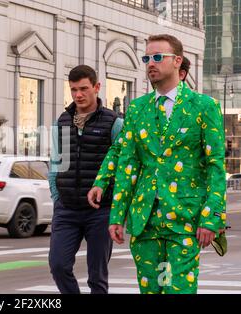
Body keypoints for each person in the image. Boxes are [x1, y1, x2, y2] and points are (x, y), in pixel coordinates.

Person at [91, 34, 226, 294]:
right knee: (151, 291)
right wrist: (117, 215)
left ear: (177, 61)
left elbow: (215, 165)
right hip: (145, 221)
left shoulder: (204, 106)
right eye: (146, 58)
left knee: (178, 290)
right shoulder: (137, 108)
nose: (150, 63)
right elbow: (127, 163)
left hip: (184, 218)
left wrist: (211, 217)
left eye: (157, 57)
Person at [48, 65, 123, 294]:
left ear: (97, 87)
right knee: (58, 265)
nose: (78, 95)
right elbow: (55, 164)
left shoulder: (114, 122)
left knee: (97, 275)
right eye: (73, 90)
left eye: (83, 89)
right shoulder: (62, 122)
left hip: (100, 211)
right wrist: (57, 198)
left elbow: (122, 167)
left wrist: (116, 208)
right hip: (67, 208)